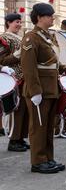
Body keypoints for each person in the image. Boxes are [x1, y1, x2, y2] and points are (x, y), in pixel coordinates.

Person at [21, 3, 66, 174]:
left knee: (48, 126)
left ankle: (48, 158)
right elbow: (28, 67)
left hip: (51, 88)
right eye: (50, 15)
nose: (53, 18)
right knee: (38, 126)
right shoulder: (31, 37)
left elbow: (54, 62)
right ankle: (38, 161)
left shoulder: (49, 36)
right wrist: (35, 91)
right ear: (39, 17)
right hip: (39, 90)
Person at [0, 13, 30, 151]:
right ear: (8, 23)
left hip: (25, 78)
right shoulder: (4, 38)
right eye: (16, 22)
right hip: (14, 79)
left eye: (20, 22)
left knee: (24, 110)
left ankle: (20, 138)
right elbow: (2, 60)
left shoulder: (21, 37)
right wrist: (17, 56)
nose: (19, 24)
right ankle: (13, 140)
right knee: (16, 110)